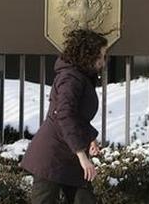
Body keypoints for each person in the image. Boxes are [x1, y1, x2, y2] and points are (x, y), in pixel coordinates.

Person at [20, 29, 107, 204]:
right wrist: (82, 157)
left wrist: (89, 137)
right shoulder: (70, 78)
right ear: (89, 55)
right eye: (101, 56)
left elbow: (77, 116)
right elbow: (64, 116)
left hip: (69, 152)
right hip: (52, 156)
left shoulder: (80, 75)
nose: (103, 62)